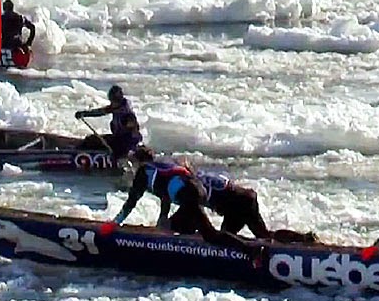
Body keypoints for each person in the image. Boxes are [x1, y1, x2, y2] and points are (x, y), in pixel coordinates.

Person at [98, 148, 258, 255]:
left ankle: (251, 251)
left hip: (189, 196)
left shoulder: (143, 173)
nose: (132, 167)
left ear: (141, 162)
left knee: (210, 235)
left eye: (134, 163)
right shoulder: (160, 167)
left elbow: (131, 203)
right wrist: (161, 222)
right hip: (197, 192)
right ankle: (194, 245)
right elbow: (165, 197)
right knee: (178, 225)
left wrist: (114, 223)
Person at [165, 168, 318, 243]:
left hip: (239, 204)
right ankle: (305, 238)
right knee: (263, 234)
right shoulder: (200, 176)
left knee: (225, 239)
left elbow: (191, 210)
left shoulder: (193, 187)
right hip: (245, 199)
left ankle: (254, 251)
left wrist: (168, 224)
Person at [75, 85, 142, 162]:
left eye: (113, 101)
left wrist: (125, 152)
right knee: (91, 139)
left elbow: (135, 135)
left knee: (93, 141)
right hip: (118, 139)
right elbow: (99, 112)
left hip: (125, 144)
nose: (111, 103)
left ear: (118, 100)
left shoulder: (127, 114)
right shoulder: (115, 107)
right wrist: (84, 114)